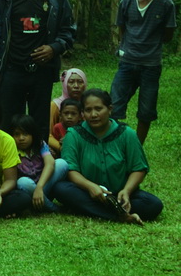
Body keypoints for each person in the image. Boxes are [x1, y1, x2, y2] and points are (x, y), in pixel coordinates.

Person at [0, 0, 76, 141]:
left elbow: (69, 30)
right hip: (12, 68)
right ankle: (10, 165)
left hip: (41, 71)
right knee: (9, 120)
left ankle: (39, 165)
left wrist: (54, 48)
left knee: (39, 122)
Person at [54, 89, 163, 224]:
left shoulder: (127, 133)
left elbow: (139, 168)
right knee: (61, 189)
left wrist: (127, 191)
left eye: (99, 109)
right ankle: (119, 216)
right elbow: (70, 170)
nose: (93, 114)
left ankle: (97, 210)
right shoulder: (74, 134)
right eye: (88, 110)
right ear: (82, 113)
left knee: (153, 204)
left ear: (110, 109)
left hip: (120, 194)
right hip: (88, 193)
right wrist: (90, 186)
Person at [110, 0, 178, 145]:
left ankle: (137, 147)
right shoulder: (126, 2)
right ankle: (112, 143)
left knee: (146, 110)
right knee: (114, 105)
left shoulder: (166, 4)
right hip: (127, 61)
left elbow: (168, 34)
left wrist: (149, 44)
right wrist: (127, 48)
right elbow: (122, 28)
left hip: (151, 65)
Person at [10, 114, 67, 212]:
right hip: (27, 191)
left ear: (32, 134)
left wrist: (39, 187)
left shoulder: (40, 144)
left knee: (61, 163)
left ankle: (38, 202)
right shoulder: (11, 149)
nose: (21, 138)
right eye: (17, 134)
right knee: (23, 182)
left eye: (25, 134)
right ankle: (53, 208)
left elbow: (50, 163)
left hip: (44, 184)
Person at [49, 68, 88, 142]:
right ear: (65, 84)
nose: (76, 86)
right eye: (71, 82)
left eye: (80, 82)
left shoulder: (88, 105)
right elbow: (48, 134)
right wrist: (60, 147)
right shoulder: (55, 105)